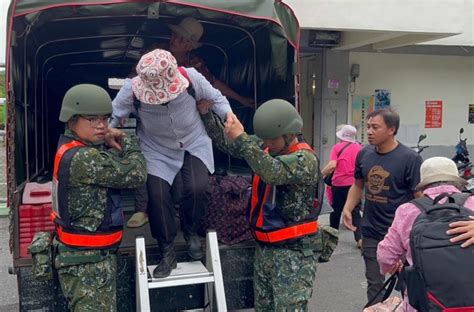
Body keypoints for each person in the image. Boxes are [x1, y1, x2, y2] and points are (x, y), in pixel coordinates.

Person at [110, 49, 232, 278]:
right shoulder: (131, 89)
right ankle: (167, 251)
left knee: (198, 188)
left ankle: (190, 231)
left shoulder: (191, 77)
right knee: (157, 197)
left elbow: (218, 99)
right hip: (156, 148)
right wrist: (109, 133)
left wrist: (229, 117)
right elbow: (114, 115)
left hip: (193, 142)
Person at [126, 16, 253, 227]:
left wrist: (240, 100)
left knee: (194, 183)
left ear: (190, 45)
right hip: (153, 123)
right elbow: (133, 82)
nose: (177, 40)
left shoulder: (194, 65)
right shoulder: (154, 52)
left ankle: (185, 222)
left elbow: (214, 88)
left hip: (185, 128)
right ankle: (142, 209)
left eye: (184, 39)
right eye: (176, 35)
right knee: (147, 165)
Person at [197, 99, 321, 311]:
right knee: (263, 307)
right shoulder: (268, 147)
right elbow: (232, 144)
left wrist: (243, 139)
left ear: (289, 134)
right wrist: (207, 115)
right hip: (265, 249)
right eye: (265, 140)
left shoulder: (305, 159)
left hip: (293, 253)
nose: (268, 144)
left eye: (272, 140)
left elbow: (271, 171)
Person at [51, 84, 147, 311]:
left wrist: (106, 142)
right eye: (92, 119)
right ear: (72, 119)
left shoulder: (71, 147)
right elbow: (137, 174)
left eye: (105, 119)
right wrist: (128, 140)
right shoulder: (85, 158)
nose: (102, 126)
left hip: (87, 259)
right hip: (87, 264)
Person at [342, 108, 423, 304]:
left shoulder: (410, 159)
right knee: (374, 284)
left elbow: (419, 197)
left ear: (391, 130)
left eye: (375, 127)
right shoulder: (364, 154)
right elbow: (358, 184)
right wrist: (347, 207)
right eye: (368, 126)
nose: (369, 131)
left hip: (401, 235)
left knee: (407, 283)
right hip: (371, 231)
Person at [377, 157, 474, 312]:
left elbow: (385, 256)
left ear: (423, 186)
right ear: (457, 182)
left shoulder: (407, 211)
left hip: (424, 304)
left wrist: (392, 268)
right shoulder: (472, 203)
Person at [321, 124, 363, 248]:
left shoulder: (337, 147)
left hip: (339, 184)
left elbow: (332, 165)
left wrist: (320, 174)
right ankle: (359, 239)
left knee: (336, 209)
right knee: (355, 211)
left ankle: (332, 237)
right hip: (355, 184)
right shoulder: (359, 148)